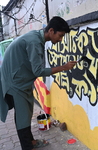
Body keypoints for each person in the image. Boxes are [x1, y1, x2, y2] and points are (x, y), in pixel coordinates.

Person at [0, 16, 77, 150]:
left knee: (27, 112)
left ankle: (31, 142)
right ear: (51, 31)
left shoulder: (37, 37)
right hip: (15, 82)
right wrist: (64, 67)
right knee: (23, 116)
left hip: (19, 79)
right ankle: (27, 146)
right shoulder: (34, 42)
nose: (60, 39)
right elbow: (38, 71)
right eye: (60, 35)